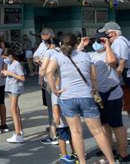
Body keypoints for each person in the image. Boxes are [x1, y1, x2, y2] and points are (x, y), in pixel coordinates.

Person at [46, 33, 115, 164]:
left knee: (76, 132)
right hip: (86, 95)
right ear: (76, 43)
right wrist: (94, 89)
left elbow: (48, 72)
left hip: (67, 97)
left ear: (62, 43)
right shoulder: (86, 56)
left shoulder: (57, 56)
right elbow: (93, 78)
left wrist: (55, 90)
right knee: (98, 131)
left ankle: (82, 162)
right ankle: (111, 161)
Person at [88, 32, 129, 162]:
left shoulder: (111, 54)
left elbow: (112, 62)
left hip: (112, 94)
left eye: (99, 40)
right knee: (104, 125)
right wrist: (81, 45)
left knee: (116, 125)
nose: (96, 43)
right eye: (94, 40)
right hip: (99, 95)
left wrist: (107, 46)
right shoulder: (91, 55)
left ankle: (123, 154)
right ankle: (109, 150)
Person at [98, 22, 130, 118]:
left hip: (126, 76)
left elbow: (122, 61)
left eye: (106, 33)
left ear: (113, 33)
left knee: (128, 103)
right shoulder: (122, 41)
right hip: (126, 75)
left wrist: (116, 77)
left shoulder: (118, 42)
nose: (104, 36)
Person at [34, 27, 58, 145]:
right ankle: (58, 129)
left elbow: (45, 69)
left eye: (46, 40)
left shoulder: (51, 51)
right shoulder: (43, 46)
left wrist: (40, 78)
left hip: (50, 82)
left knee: (52, 107)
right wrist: (37, 60)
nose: (45, 42)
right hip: (56, 82)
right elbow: (35, 57)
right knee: (56, 107)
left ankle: (54, 134)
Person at [2, 48, 25, 143]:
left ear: (10, 56)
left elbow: (22, 77)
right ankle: (20, 131)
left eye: (5, 58)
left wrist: (10, 73)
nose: (4, 60)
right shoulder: (9, 64)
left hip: (15, 88)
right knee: (16, 110)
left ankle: (18, 134)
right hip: (10, 87)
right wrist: (3, 73)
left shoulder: (16, 64)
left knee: (13, 110)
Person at [52, 92, 77, 163]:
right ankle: (64, 155)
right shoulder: (56, 92)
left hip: (69, 119)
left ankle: (75, 152)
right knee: (62, 138)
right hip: (62, 122)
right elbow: (55, 105)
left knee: (73, 136)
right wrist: (57, 118)